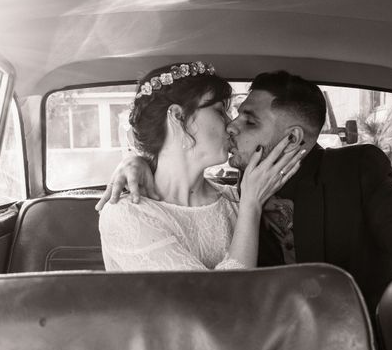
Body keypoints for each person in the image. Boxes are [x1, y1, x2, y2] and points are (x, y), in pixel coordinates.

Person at [97, 70, 392, 312]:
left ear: (292, 138)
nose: (231, 127)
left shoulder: (353, 174)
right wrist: (139, 160)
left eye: (248, 119)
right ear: (179, 119)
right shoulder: (239, 194)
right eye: (229, 113)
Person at [98, 63, 305, 272]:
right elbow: (208, 301)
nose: (231, 125)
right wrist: (250, 208)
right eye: (220, 110)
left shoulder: (236, 200)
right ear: (178, 117)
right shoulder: (126, 215)